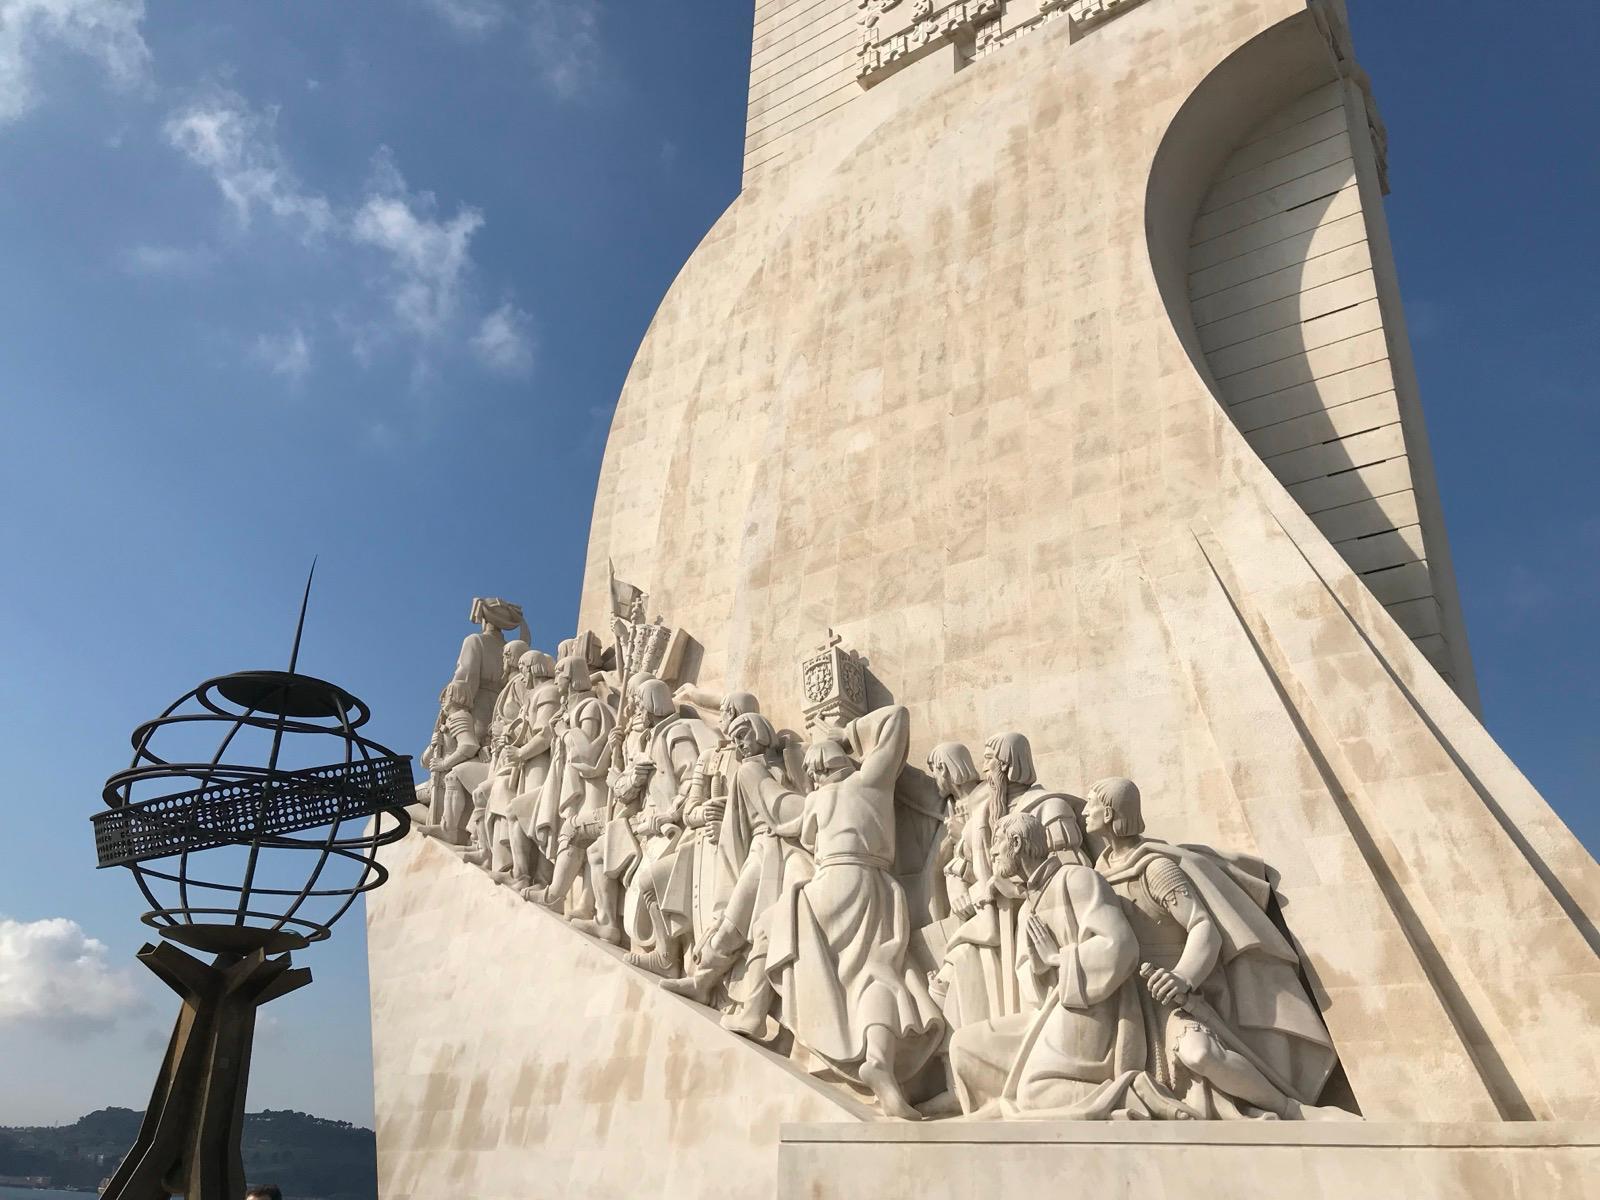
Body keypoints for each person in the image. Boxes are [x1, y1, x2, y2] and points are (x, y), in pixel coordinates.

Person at [764, 705, 944, 1119]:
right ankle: (878, 1058)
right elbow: (897, 717)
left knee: (857, 976)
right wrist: (848, 733)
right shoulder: (869, 781)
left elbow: (794, 831)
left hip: (820, 891)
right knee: (877, 974)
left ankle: (861, 1053)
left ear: (814, 772)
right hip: (866, 882)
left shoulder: (815, 800)